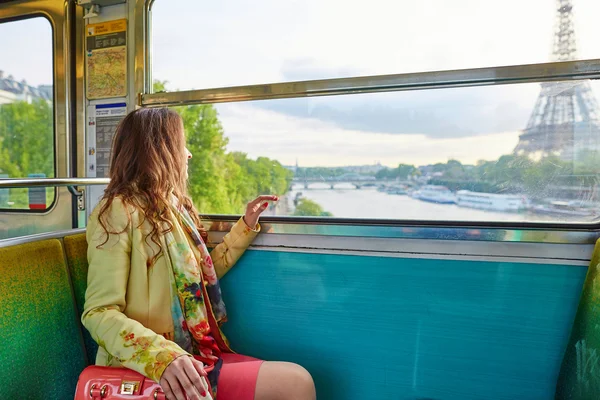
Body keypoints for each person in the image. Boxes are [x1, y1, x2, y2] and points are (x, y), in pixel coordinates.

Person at [82, 108, 316, 400]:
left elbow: (197, 281)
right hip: (146, 366)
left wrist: (244, 227)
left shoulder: (173, 209)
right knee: (296, 382)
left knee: (296, 380)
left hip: (195, 352)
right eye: (181, 144)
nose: (188, 154)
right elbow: (98, 313)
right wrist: (163, 358)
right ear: (160, 151)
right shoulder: (117, 211)